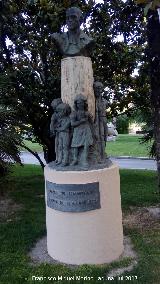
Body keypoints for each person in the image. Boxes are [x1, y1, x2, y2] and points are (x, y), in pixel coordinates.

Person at [70, 95, 93, 167]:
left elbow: (91, 122)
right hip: (78, 131)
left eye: (81, 103)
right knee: (75, 145)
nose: (80, 105)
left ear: (84, 103)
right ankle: (75, 159)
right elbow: (72, 124)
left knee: (86, 146)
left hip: (86, 130)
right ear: (76, 104)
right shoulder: (74, 113)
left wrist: (90, 118)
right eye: (78, 103)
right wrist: (81, 121)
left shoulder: (87, 113)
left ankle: (85, 160)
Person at [93, 81, 108, 161]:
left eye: (100, 88)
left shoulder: (104, 101)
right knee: (98, 137)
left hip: (103, 119)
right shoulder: (92, 100)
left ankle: (103, 153)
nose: (99, 90)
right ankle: (99, 154)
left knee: (104, 137)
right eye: (97, 88)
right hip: (96, 120)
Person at [50, 98, 62, 163]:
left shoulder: (62, 114)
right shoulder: (55, 115)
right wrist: (52, 130)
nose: (54, 109)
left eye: (55, 107)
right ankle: (58, 158)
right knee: (57, 146)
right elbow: (52, 123)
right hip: (58, 132)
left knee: (61, 146)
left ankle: (60, 159)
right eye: (54, 108)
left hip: (63, 132)